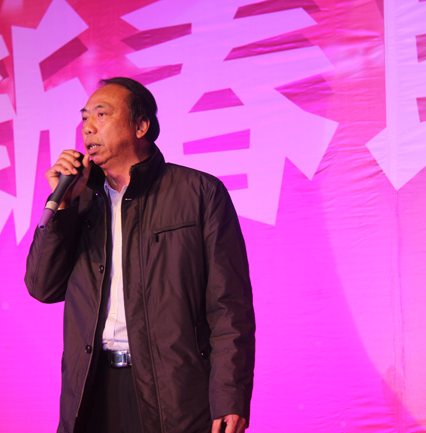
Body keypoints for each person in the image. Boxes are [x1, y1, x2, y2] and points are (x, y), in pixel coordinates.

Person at [25, 77, 255, 433]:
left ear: (141, 125)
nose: (88, 127)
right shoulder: (81, 202)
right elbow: (42, 286)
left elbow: (229, 306)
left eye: (101, 114)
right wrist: (63, 206)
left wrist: (230, 396)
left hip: (174, 393)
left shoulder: (199, 193)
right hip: (91, 390)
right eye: (84, 118)